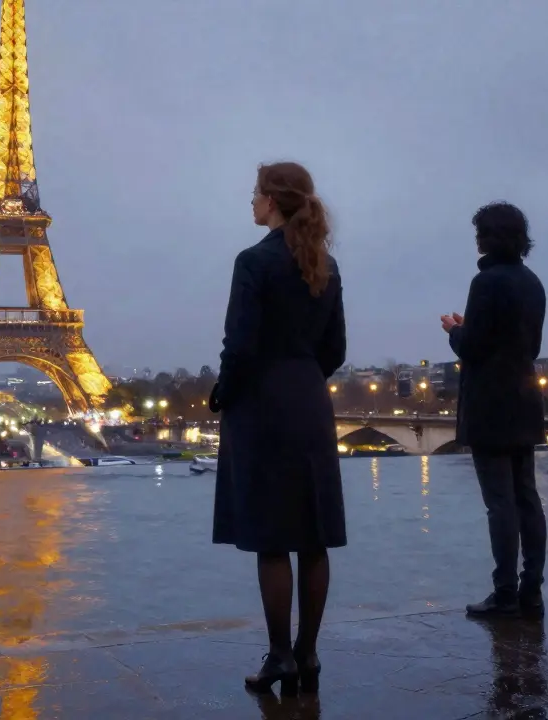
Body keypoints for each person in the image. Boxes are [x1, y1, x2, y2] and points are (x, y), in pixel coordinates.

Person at [211, 161, 347, 695]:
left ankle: (280, 656)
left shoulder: (253, 262)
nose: (251, 202)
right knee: (313, 537)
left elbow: (239, 343)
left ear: (273, 200)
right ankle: (309, 655)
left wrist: (225, 390)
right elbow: (335, 348)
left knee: (273, 539)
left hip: (264, 405)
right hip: (310, 402)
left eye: (255, 194)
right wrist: (304, 375)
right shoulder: (326, 265)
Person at [441, 201, 548, 618]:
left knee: (499, 503)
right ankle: (532, 591)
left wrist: (456, 331)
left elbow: (472, 348)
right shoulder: (533, 283)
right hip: (524, 400)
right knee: (527, 498)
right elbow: (530, 347)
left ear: (486, 238)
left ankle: (503, 593)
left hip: (489, 404)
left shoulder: (484, 283)